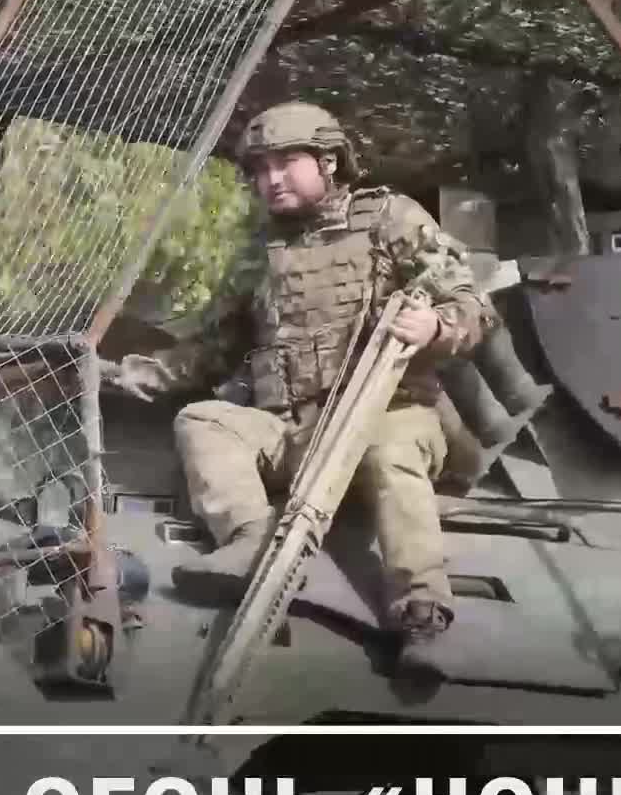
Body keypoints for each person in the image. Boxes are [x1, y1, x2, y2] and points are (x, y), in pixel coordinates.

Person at [100, 101, 497, 659]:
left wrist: (434, 326)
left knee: (389, 453)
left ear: (329, 161)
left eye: (286, 162)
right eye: (260, 169)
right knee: (204, 420)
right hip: (292, 430)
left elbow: (474, 306)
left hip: (387, 417)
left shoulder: (390, 218)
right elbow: (211, 350)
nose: (272, 179)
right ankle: (251, 539)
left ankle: (422, 606)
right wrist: (120, 376)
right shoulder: (260, 251)